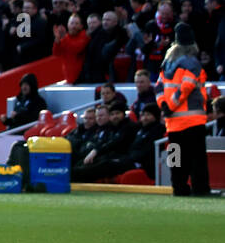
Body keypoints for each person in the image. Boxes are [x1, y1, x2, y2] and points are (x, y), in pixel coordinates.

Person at [155, 23, 212, 195]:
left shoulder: (166, 64)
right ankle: (200, 189)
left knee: (176, 157)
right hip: (192, 120)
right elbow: (185, 88)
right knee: (197, 158)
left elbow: (158, 88)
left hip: (172, 123)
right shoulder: (192, 62)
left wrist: (164, 106)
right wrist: (171, 106)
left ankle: (178, 188)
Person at [72, 103, 164, 183]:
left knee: (107, 165)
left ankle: (72, 176)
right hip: (129, 159)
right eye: (143, 115)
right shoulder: (141, 129)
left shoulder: (156, 129)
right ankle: (72, 174)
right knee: (99, 162)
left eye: (148, 115)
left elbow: (145, 151)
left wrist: (96, 151)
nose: (144, 118)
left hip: (139, 164)